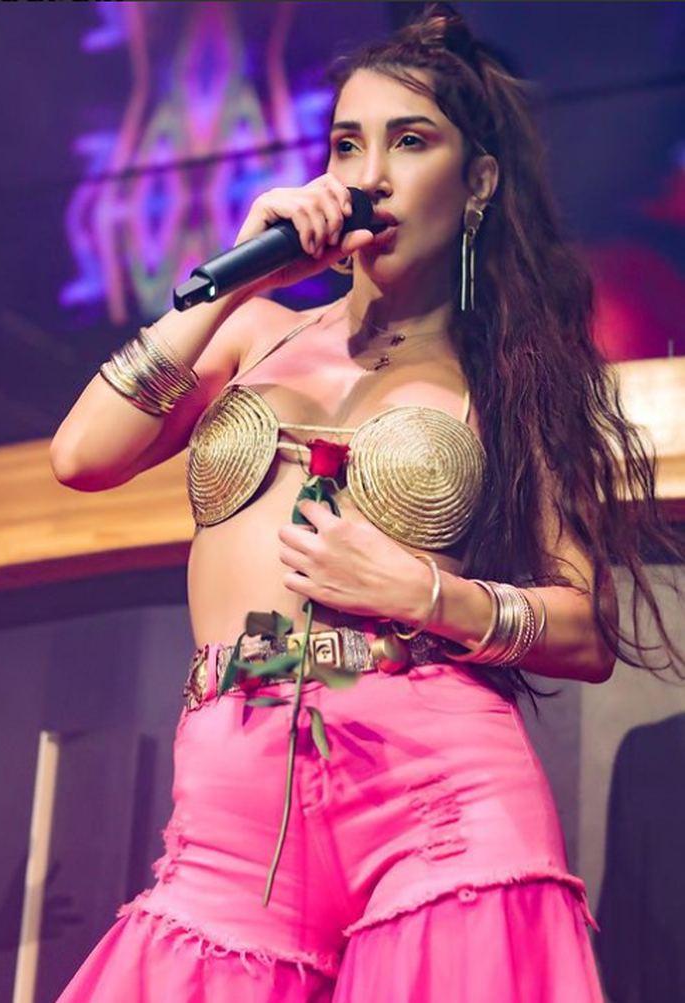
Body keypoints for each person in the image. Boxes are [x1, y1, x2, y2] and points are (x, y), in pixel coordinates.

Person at [51, 4, 684, 1000]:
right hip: (233, 792)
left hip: (437, 790)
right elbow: (82, 456)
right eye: (348, 144)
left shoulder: (513, 371)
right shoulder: (249, 331)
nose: (370, 174)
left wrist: (426, 593)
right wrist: (230, 280)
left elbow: (587, 628)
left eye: (410, 141)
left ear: (477, 182)